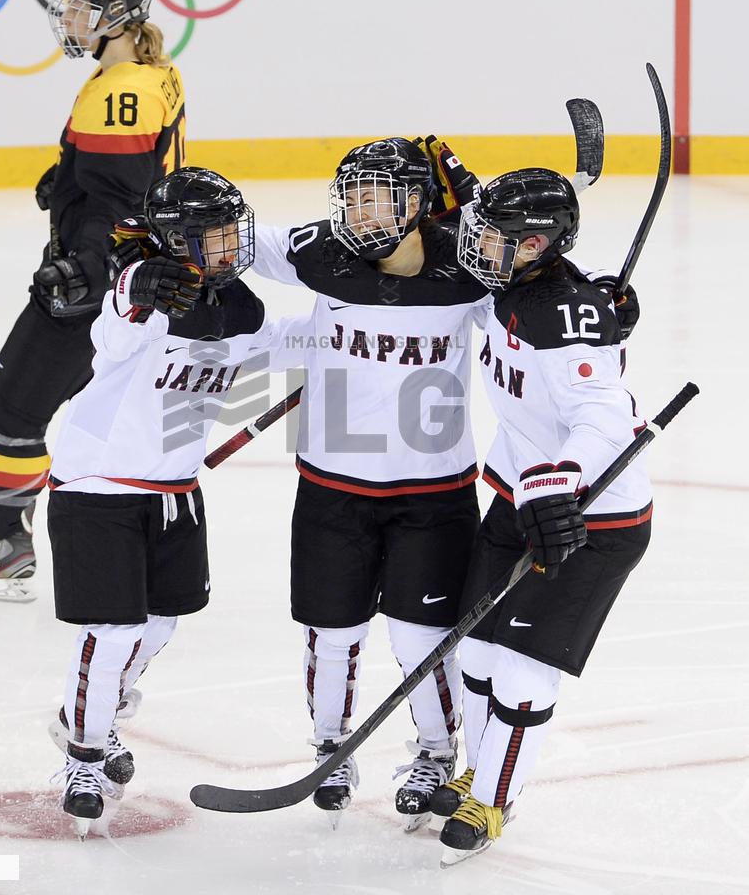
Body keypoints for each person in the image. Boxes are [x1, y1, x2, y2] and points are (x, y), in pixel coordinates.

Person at [46, 167, 305, 838]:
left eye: (230, 234)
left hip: (174, 489)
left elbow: (271, 343)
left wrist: (350, 332)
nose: (227, 248)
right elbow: (117, 325)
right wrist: (138, 285)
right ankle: (84, 752)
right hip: (99, 486)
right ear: (175, 241)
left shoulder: (237, 306)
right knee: (114, 631)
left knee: (159, 625)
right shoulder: (141, 293)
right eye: (211, 237)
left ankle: (90, 713)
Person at [252, 137, 491, 828]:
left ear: (415, 204)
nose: (358, 214)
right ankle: (331, 746)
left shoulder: (468, 272)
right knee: (331, 631)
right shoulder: (319, 253)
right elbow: (228, 239)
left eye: (375, 198)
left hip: (434, 493)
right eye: (350, 198)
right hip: (333, 487)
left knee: (423, 636)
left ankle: (437, 754)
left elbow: (538, 276)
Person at [0, 0, 186, 602]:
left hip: (98, 284)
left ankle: (7, 553)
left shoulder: (122, 91)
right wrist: (72, 179)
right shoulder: (149, 71)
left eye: (83, 7)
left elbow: (117, 202)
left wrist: (85, 269)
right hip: (125, 281)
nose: (70, 18)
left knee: (16, 404)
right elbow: (134, 179)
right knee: (81, 418)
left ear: (121, 14)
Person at [429, 168, 653, 865]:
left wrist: (560, 483)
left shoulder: (564, 312)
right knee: (476, 649)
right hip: (521, 491)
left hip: (590, 519)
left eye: (496, 239)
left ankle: (492, 801)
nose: (478, 247)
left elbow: (604, 417)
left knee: (522, 670)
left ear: (534, 245)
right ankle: (482, 765)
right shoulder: (520, 283)